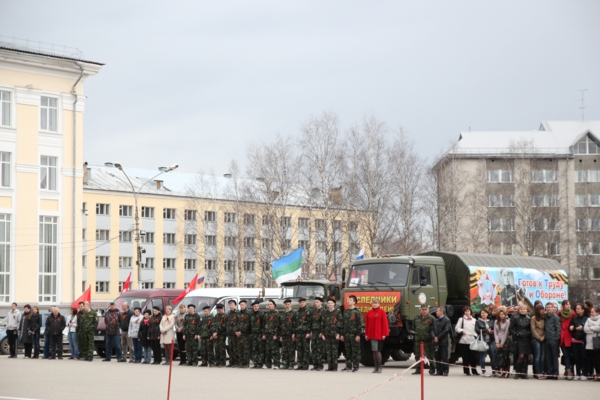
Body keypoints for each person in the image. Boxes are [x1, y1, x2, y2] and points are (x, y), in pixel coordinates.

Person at [366, 298, 390, 374]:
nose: (374, 304)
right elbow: (367, 324)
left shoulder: (382, 312)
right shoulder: (369, 312)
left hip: (379, 334)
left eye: (376, 303)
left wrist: (384, 334)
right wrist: (366, 334)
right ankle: (375, 366)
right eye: (373, 303)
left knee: (377, 350)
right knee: (374, 350)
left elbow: (385, 324)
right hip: (371, 334)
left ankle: (379, 366)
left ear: (379, 304)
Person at [510, 303, 532, 379]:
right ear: (519, 310)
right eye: (521, 309)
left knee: (526, 357)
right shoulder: (516, 318)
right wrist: (516, 334)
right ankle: (517, 372)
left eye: (524, 309)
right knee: (521, 356)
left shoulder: (529, 319)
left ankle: (524, 373)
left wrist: (528, 333)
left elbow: (530, 329)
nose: (523, 310)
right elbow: (511, 328)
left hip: (527, 339)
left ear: (526, 310)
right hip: (519, 339)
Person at [341, 295, 363, 372]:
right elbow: (343, 324)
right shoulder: (346, 312)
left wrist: (358, 335)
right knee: (348, 351)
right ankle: (348, 366)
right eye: (348, 300)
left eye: (350, 300)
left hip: (354, 335)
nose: (348, 301)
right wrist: (342, 334)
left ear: (354, 302)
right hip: (346, 334)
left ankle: (356, 366)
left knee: (355, 351)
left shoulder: (357, 312)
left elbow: (359, 324)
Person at [455, 306, 478, 376]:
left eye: (468, 311)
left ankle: (474, 370)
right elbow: (457, 328)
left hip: (472, 340)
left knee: (473, 357)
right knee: (465, 357)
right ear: (464, 312)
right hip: (463, 340)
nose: (467, 313)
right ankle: (466, 371)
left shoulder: (474, 320)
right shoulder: (461, 319)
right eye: (466, 311)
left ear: (470, 312)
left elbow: (476, 329)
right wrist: (462, 331)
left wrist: (475, 335)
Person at [570, 302, 589, 380]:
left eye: (578, 309)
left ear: (583, 310)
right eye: (576, 309)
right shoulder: (574, 318)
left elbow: (588, 328)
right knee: (576, 357)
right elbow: (571, 325)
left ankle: (585, 373)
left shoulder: (587, 319)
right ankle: (577, 373)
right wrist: (571, 327)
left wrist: (583, 329)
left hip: (583, 341)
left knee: (584, 357)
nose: (576, 310)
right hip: (575, 340)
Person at [322, 298, 342, 371]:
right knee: (328, 351)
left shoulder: (337, 312)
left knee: (334, 351)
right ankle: (329, 367)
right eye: (329, 303)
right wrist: (323, 334)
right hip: (327, 334)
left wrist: (338, 334)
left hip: (334, 334)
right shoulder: (325, 313)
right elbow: (323, 324)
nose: (330, 304)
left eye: (331, 303)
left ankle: (334, 367)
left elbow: (340, 323)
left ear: (334, 304)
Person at [475, 308, 495, 377]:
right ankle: (484, 371)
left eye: (485, 313)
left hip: (490, 341)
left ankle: (494, 371)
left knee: (493, 356)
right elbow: (477, 330)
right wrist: (486, 330)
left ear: (487, 314)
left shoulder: (491, 321)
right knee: (482, 357)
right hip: (482, 342)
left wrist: (491, 332)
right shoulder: (478, 321)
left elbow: (493, 330)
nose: (483, 314)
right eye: (482, 313)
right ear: (480, 314)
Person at [432, 306, 451, 376]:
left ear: (442, 312)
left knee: (444, 357)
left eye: (437, 311)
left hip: (443, 341)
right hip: (436, 341)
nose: (436, 312)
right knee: (437, 357)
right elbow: (432, 330)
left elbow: (446, 330)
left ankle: (445, 371)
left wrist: (438, 338)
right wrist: (434, 337)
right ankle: (438, 371)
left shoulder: (447, 320)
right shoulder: (435, 320)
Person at [294, 297, 312, 370]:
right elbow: (295, 323)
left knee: (305, 349)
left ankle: (305, 365)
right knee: (299, 349)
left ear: (305, 303)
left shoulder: (308, 311)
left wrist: (308, 332)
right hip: (298, 333)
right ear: (299, 303)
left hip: (305, 333)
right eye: (300, 302)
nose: (302, 303)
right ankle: (300, 364)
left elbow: (310, 322)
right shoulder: (297, 312)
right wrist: (294, 333)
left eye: (303, 302)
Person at [544, 302, 561, 380]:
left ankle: (555, 373)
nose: (548, 309)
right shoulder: (545, 316)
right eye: (547, 307)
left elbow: (558, 328)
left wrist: (556, 338)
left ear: (552, 308)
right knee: (548, 357)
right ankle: (549, 373)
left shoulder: (555, 317)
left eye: (549, 307)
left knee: (554, 357)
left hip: (553, 339)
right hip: (546, 339)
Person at [558, 299, 575, 380]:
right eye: (567, 304)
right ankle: (568, 370)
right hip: (562, 337)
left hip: (570, 336)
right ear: (563, 306)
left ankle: (570, 370)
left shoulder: (573, 313)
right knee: (566, 354)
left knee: (571, 354)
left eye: (569, 304)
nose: (568, 306)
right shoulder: (559, 313)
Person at [583, 306, 600, 381]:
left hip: (597, 342)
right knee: (591, 359)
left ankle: (598, 373)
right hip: (589, 342)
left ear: (597, 313)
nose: (591, 313)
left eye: (593, 312)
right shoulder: (588, 319)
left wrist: (591, 327)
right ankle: (592, 373)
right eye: (591, 312)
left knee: (598, 359)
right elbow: (585, 329)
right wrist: (595, 328)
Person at [262, 299, 280, 370]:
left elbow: (278, 325)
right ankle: (268, 364)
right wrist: (264, 334)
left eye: (270, 304)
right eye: (268, 304)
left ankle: (276, 364)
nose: (269, 305)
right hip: (267, 334)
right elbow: (264, 325)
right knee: (267, 350)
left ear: (274, 305)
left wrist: (276, 334)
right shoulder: (267, 314)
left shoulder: (276, 313)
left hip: (273, 335)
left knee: (275, 350)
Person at [279, 298, 297, 370]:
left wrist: (294, 333)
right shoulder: (283, 313)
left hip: (290, 334)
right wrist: (280, 335)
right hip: (284, 334)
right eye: (286, 304)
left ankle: (291, 364)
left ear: (291, 304)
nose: (287, 305)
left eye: (288, 304)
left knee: (291, 350)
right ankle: (285, 364)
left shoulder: (294, 313)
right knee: (284, 350)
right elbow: (281, 324)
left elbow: (295, 324)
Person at [493, 306, 510, 378]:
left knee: (505, 356)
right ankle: (501, 370)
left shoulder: (507, 321)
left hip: (505, 340)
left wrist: (502, 343)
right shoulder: (496, 322)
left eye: (503, 314)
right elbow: (495, 332)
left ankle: (506, 372)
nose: (502, 316)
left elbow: (506, 333)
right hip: (498, 340)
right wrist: (497, 342)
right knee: (499, 356)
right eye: (501, 314)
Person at [310, 297, 326, 371]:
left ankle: (320, 365)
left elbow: (324, 323)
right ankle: (315, 365)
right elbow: (311, 322)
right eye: (315, 302)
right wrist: (310, 331)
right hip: (314, 332)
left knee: (319, 349)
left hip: (319, 332)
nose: (316, 303)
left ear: (321, 303)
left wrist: (322, 332)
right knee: (314, 349)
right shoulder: (314, 311)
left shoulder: (323, 311)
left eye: (317, 302)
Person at [530, 304, 545, 379]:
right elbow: (533, 329)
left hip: (543, 338)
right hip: (536, 339)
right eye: (541, 310)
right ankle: (537, 372)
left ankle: (542, 371)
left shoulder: (544, 318)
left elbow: (546, 329)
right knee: (537, 356)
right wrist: (539, 337)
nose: (543, 311)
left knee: (542, 356)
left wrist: (543, 337)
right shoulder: (533, 318)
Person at [236, 300, 251, 368]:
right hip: (238, 335)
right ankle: (241, 363)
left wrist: (241, 331)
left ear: (246, 305)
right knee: (240, 349)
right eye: (240, 305)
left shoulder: (248, 313)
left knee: (246, 350)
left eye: (243, 304)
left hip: (245, 334)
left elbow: (248, 324)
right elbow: (235, 323)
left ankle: (246, 363)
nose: (242, 306)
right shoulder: (238, 313)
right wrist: (236, 331)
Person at [249, 300, 265, 369]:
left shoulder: (262, 314)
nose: (256, 307)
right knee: (254, 349)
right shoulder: (251, 314)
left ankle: (260, 363)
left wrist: (264, 334)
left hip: (260, 334)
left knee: (260, 349)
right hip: (253, 334)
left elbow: (264, 324)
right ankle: (255, 363)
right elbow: (249, 324)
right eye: (255, 306)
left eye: (257, 306)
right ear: (252, 307)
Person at [225, 299, 239, 368]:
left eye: (232, 305)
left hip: (235, 334)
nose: (231, 306)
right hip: (229, 334)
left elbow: (238, 323)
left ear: (235, 305)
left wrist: (236, 331)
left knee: (235, 348)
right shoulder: (229, 314)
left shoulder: (237, 313)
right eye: (230, 305)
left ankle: (236, 362)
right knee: (230, 348)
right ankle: (231, 361)